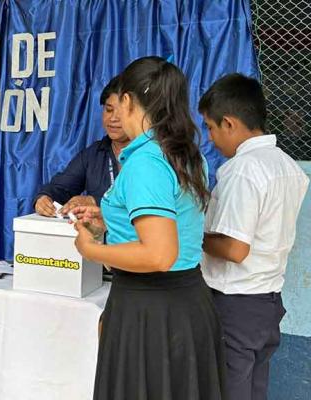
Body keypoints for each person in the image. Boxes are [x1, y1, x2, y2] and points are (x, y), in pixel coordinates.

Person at [71, 56, 225, 400]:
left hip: (150, 310)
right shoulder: (183, 154)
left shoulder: (146, 162)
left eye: (118, 104)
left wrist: (91, 249)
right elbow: (162, 231)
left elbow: (159, 253)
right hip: (184, 304)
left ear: (127, 100)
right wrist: (106, 228)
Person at [199, 73, 308, 400]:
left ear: (229, 123)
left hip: (235, 305)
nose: (211, 138)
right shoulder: (289, 167)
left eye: (211, 127)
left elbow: (234, 248)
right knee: (253, 391)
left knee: (226, 390)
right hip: (267, 301)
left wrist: (192, 235)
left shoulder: (243, 170)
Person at [34, 76, 129, 216]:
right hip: (98, 237)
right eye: (109, 110)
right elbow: (61, 187)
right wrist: (44, 198)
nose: (113, 118)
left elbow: (147, 202)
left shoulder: (151, 153)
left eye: (121, 113)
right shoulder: (94, 153)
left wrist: (94, 201)